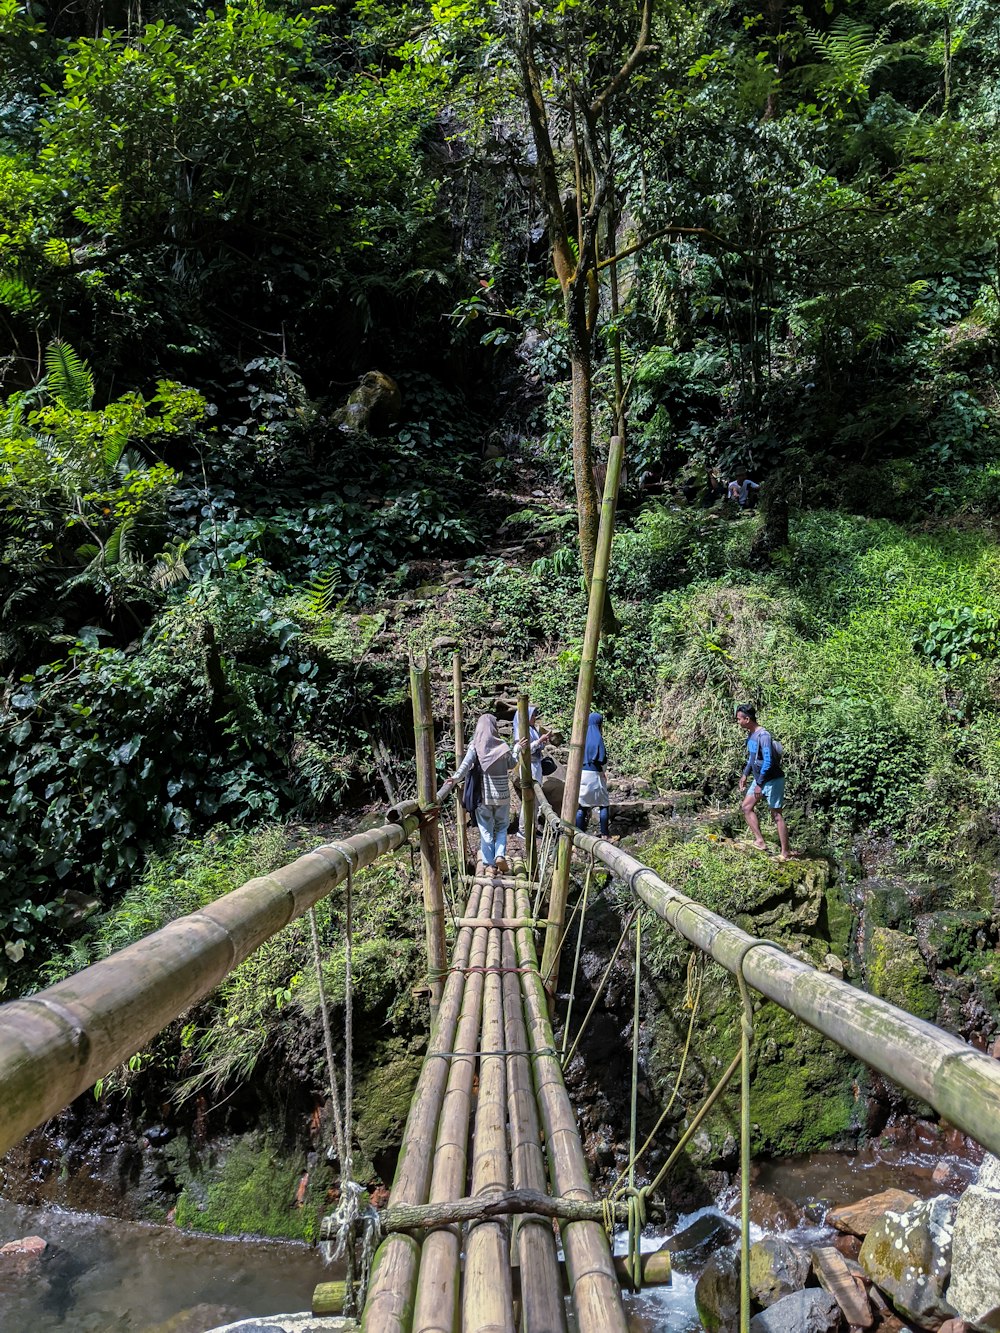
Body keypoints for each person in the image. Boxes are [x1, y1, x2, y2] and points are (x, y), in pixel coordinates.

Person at [452, 715, 527, 876]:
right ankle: (500, 854)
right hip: (503, 797)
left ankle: (489, 864)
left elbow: (465, 766)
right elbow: (512, 764)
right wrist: (517, 749)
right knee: (501, 828)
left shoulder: (475, 746)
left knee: (485, 830)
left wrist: (455, 778)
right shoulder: (502, 746)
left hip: (484, 797)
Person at [736, 703, 792, 860]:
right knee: (746, 807)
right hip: (760, 779)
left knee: (776, 815)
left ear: (747, 719)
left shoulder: (764, 736)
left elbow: (768, 761)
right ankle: (760, 841)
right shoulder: (751, 735)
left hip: (772, 779)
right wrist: (745, 775)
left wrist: (759, 784)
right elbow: (752, 758)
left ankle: (785, 853)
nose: (738, 722)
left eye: (739, 719)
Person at [512, 704, 550, 835]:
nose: (534, 717)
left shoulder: (532, 729)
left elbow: (536, 747)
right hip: (529, 766)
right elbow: (524, 749)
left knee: (535, 800)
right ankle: (523, 829)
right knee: (529, 798)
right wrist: (539, 741)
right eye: (532, 715)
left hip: (536, 765)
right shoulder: (522, 730)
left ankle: (532, 827)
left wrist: (542, 743)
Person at [576, 712, 610, 838]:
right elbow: (602, 759)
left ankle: (579, 834)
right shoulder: (597, 738)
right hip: (595, 774)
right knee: (604, 804)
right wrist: (603, 772)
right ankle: (605, 834)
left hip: (582, 774)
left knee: (581, 805)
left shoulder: (581, 738)